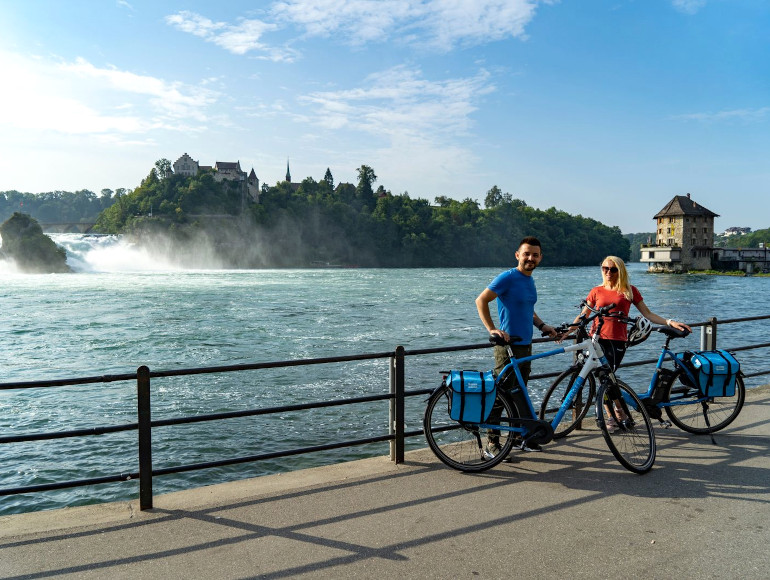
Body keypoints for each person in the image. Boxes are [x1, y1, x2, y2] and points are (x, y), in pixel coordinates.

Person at [576, 255, 691, 430]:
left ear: (620, 271)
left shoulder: (629, 291)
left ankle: (619, 413)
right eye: (605, 268)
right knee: (602, 379)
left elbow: (648, 314)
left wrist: (669, 322)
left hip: (617, 341)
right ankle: (614, 416)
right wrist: (566, 331)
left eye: (613, 269)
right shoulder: (596, 291)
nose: (608, 272)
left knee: (607, 379)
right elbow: (583, 315)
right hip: (597, 340)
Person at [476, 236, 558, 453]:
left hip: (525, 345)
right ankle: (492, 443)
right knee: (500, 396)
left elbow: (527, 309)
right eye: (526, 254)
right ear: (517, 255)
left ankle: (520, 438)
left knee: (519, 394)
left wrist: (542, 325)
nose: (530, 258)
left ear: (540, 258)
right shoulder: (508, 277)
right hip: (508, 347)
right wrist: (492, 329)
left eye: (535, 255)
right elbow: (481, 300)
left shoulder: (529, 280)